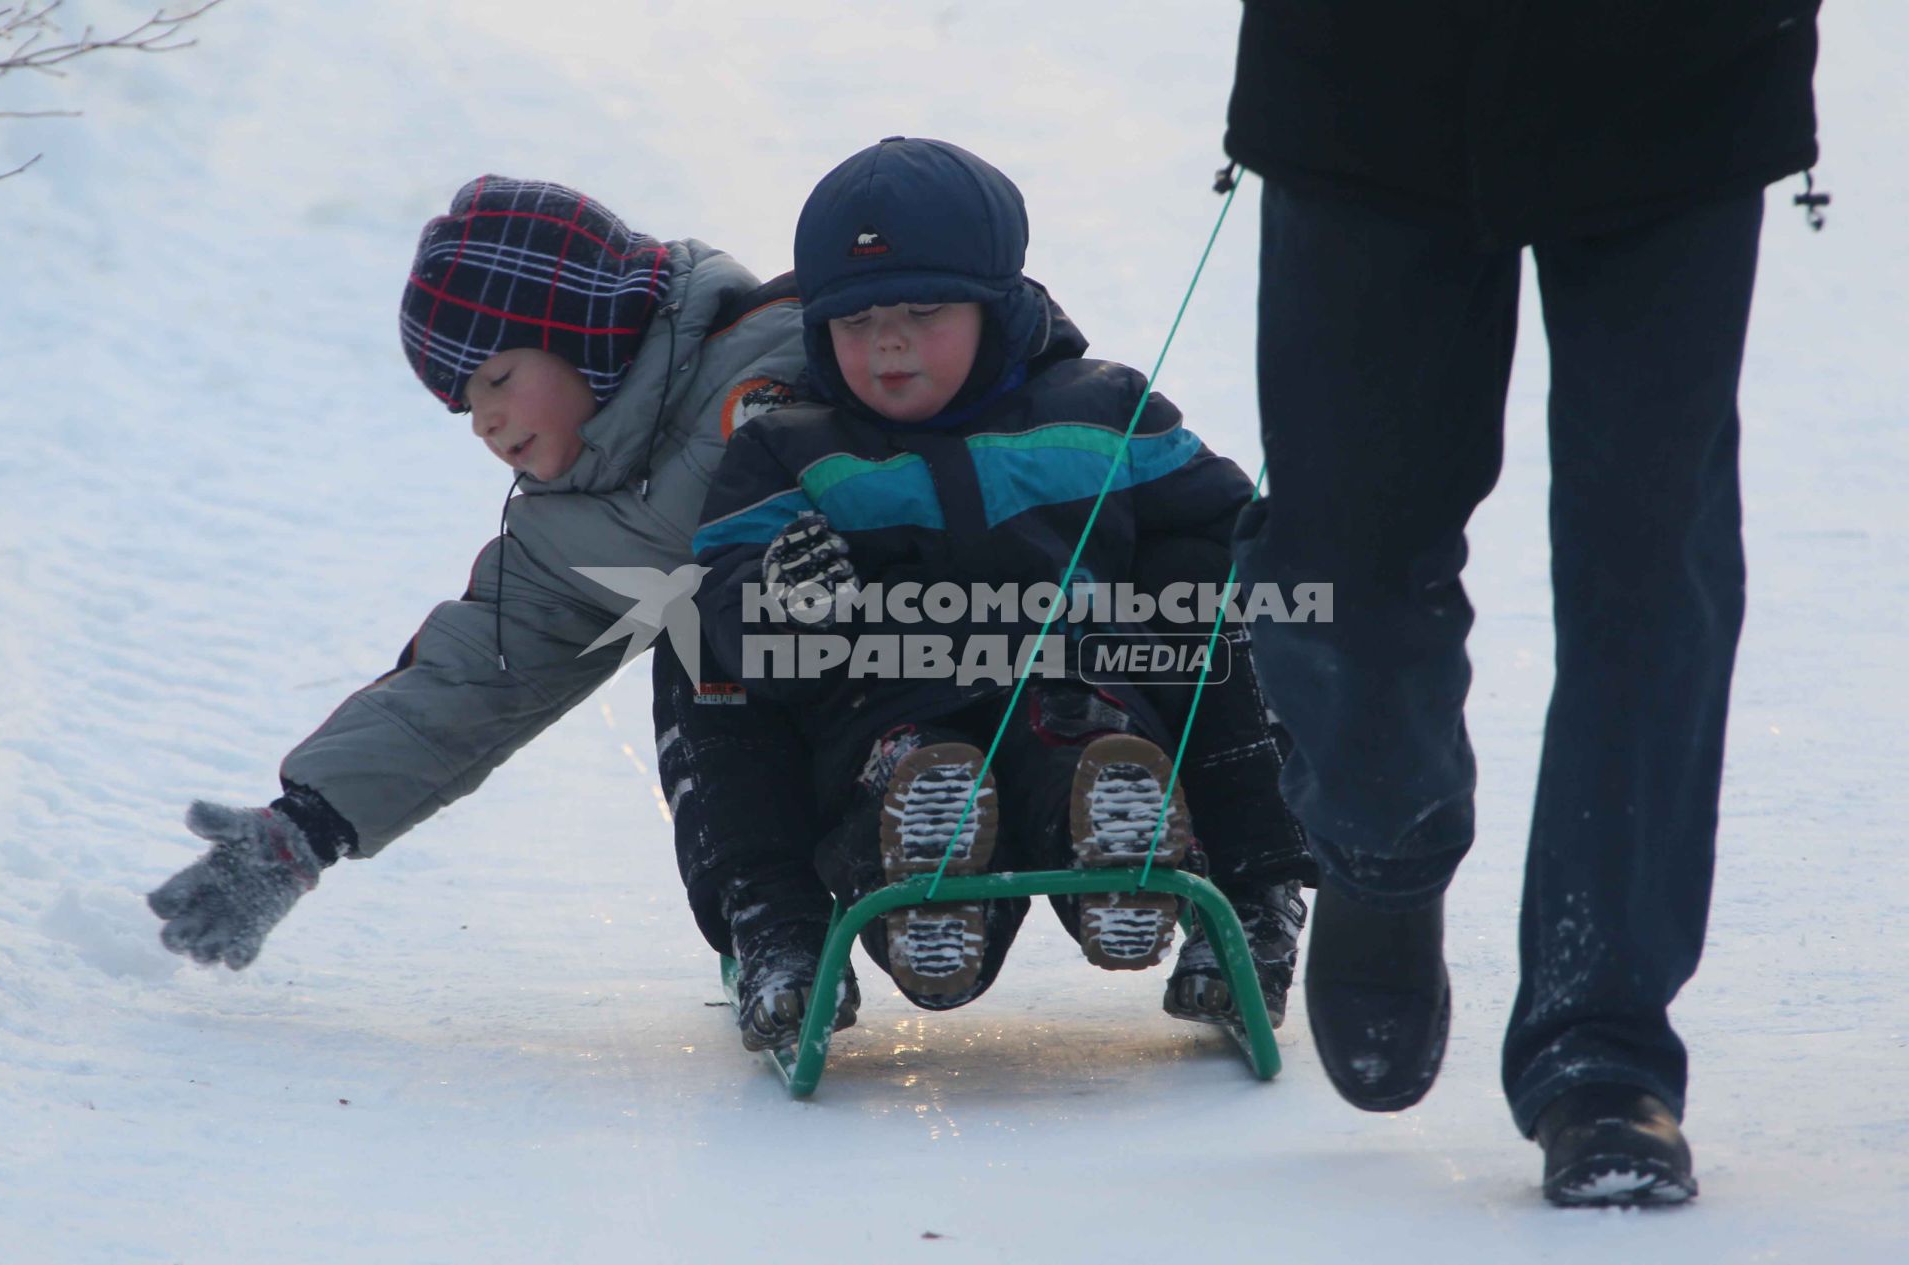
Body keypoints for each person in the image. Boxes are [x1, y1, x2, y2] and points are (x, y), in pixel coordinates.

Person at [1221, 3, 1821, 1205]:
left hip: (1683, 80)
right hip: (1361, 74)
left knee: (1651, 571)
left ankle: (1602, 1041)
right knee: (1347, 551)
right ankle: (1380, 841)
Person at [144, 175, 858, 1052]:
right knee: (694, 635)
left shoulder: (777, 348)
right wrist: (303, 830)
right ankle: (771, 915)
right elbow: (473, 672)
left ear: (584, 330)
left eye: (496, 378)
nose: (483, 420)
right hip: (777, 731)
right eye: (463, 404)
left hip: (936, 651)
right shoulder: (571, 530)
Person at [691, 137, 1312, 1024]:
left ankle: (1181, 871)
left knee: (1203, 604)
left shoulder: (1098, 411)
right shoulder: (789, 450)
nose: (888, 343)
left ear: (997, 303)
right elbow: (737, 602)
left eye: (923, 309)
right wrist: (786, 599)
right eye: (856, 322)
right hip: (885, 721)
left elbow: (1233, 531)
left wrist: (1291, 565)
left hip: (1082, 694)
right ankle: (880, 904)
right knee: (703, 641)